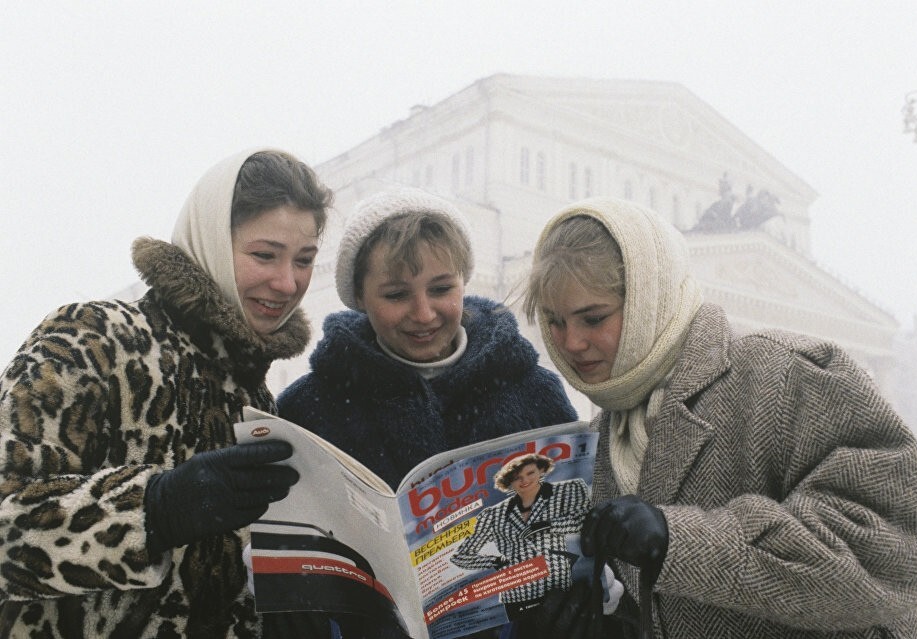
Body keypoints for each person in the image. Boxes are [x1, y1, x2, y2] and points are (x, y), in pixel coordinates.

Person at [520, 196, 917, 638]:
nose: (571, 343)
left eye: (592, 317)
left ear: (650, 297)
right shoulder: (611, 432)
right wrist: (607, 619)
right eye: (554, 321)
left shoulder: (785, 373)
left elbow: (892, 555)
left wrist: (675, 541)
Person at [0, 148, 333, 637]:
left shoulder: (256, 398)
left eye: (304, 260)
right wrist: (155, 509)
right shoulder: (93, 336)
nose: (287, 282)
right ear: (212, 242)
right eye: (264, 254)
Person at [276, 187, 578, 637]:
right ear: (360, 295)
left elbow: (574, 527)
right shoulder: (309, 408)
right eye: (397, 294)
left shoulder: (532, 390)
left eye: (441, 289)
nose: (424, 313)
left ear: (463, 282)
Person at [450, 454, 591, 620]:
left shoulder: (567, 490)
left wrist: (546, 525)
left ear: (541, 470)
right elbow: (460, 556)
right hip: (517, 596)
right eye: (517, 478)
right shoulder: (493, 515)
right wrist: (495, 561)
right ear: (509, 482)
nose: (524, 480)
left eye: (530, 473)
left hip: (557, 586)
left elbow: (585, 522)